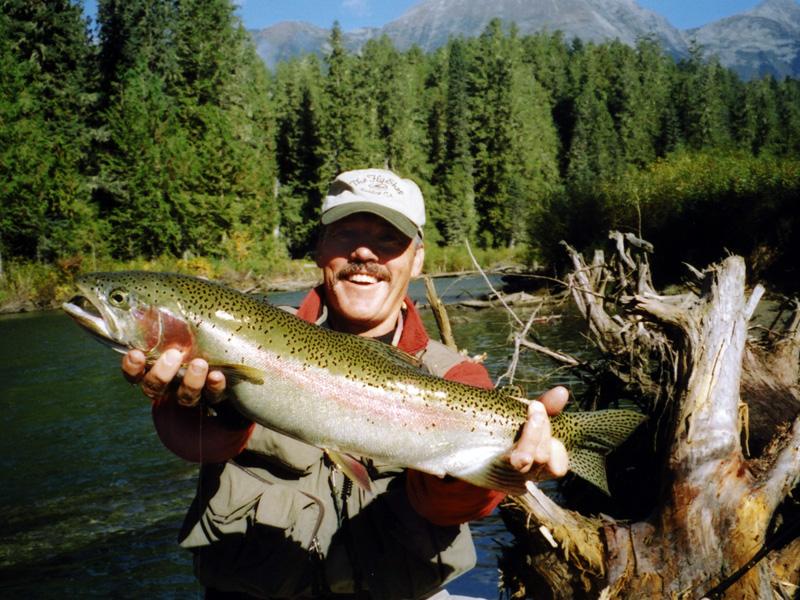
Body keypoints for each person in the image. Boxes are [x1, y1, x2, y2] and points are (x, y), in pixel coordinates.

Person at [122, 168, 569, 599]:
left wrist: (508, 463)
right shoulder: (239, 337)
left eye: (388, 240)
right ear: (319, 249)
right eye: (346, 234)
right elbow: (192, 444)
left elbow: (444, 509)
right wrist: (206, 404)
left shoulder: (456, 377)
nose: (365, 254)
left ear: (417, 260)